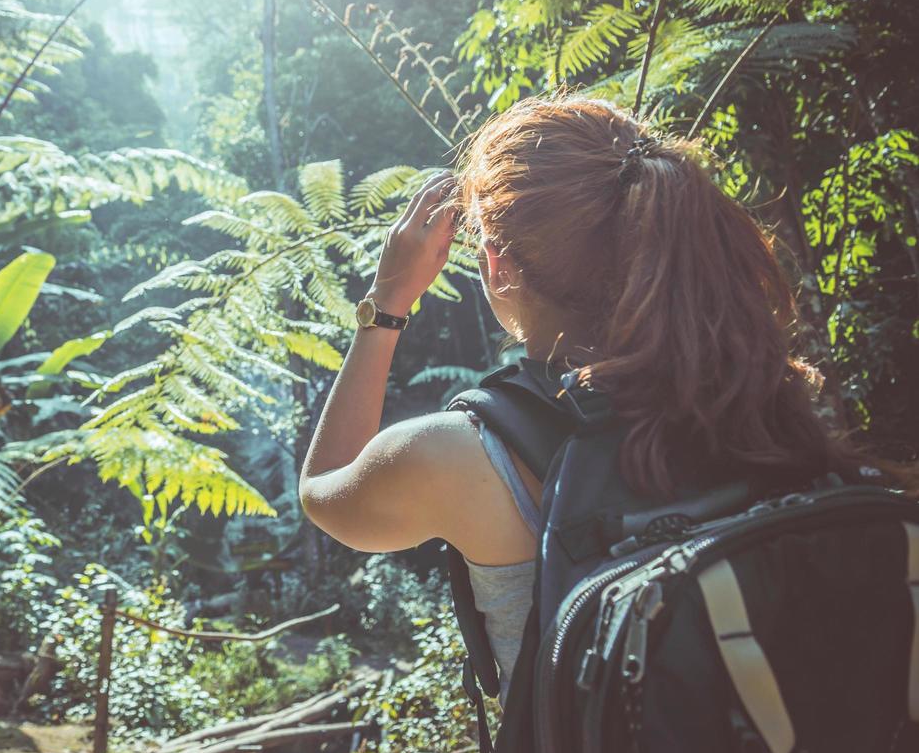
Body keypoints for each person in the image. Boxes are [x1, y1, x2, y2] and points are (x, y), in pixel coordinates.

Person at [298, 93, 854, 690]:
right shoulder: (760, 396)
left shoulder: (456, 456)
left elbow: (321, 490)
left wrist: (386, 304)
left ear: (497, 264)